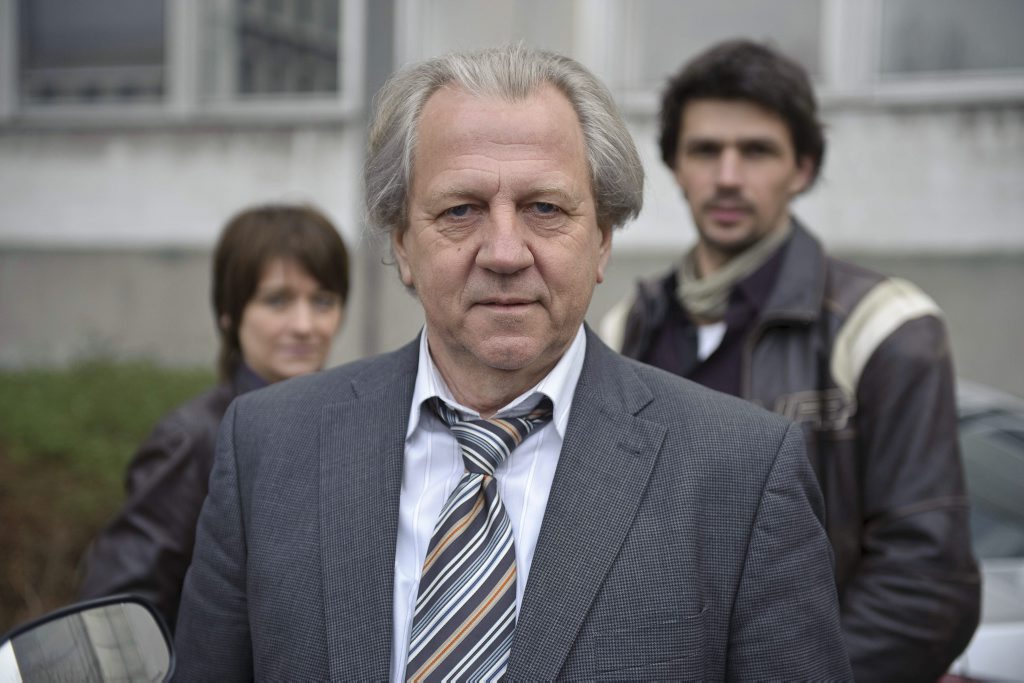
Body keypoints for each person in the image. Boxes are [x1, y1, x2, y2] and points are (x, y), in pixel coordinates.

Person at [172, 45, 852, 681]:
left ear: (602, 240)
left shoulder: (742, 473)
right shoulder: (269, 447)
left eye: (544, 208)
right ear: (403, 243)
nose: (504, 251)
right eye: (461, 210)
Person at [601, 39, 980, 682]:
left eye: (757, 151)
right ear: (674, 166)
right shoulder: (626, 330)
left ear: (801, 169)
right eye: (705, 150)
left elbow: (927, 587)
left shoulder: (883, 327)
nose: (727, 176)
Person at [78, 204, 350, 633]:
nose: (304, 325)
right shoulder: (194, 439)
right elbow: (114, 618)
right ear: (229, 312)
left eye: (322, 301)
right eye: (277, 300)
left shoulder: (351, 429)